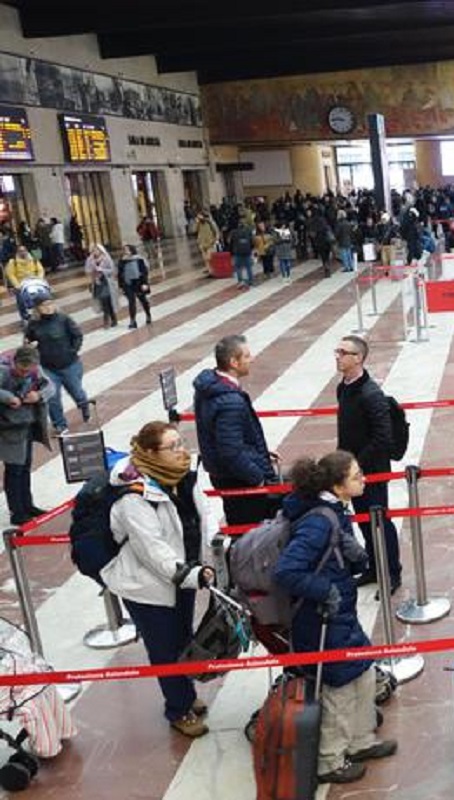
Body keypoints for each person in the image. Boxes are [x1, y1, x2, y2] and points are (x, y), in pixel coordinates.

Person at [273, 451, 398, 784]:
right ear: (338, 484)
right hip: (319, 617)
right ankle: (330, 760)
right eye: (357, 476)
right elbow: (286, 571)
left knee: (363, 671)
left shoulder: (333, 511)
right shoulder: (318, 521)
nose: (364, 479)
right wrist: (325, 589)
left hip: (340, 611)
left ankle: (360, 741)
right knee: (339, 686)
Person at [101, 421, 214, 737]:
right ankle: (177, 709)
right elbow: (151, 549)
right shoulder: (133, 496)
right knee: (164, 647)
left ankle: (185, 694)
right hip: (147, 586)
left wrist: (211, 556)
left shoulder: (182, 478)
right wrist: (188, 573)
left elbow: (203, 518)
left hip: (184, 577)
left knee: (183, 637)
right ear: (151, 453)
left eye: (182, 443)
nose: (182, 451)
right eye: (173, 446)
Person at [333, 335, 401, 590]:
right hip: (352, 470)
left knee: (379, 521)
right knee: (363, 520)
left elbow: (382, 438)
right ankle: (374, 568)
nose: (338, 356)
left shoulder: (371, 394)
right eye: (337, 351)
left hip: (371, 470)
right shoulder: (343, 387)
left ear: (358, 358)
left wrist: (356, 466)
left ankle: (393, 572)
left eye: (343, 352)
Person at [193, 335, 279, 526]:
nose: (252, 359)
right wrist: (257, 478)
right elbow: (230, 451)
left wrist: (259, 453)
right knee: (248, 534)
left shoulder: (211, 387)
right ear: (233, 362)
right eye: (247, 356)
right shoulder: (230, 401)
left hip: (224, 474)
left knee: (239, 527)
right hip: (238, 480)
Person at [0, 346, 52, 525]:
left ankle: (28, 505)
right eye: (21, 370)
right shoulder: (3, 370)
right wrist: (8, 398)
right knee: (14, 470)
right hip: (9, 429)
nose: (24, 374)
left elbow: (50, 387)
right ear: (14, 362)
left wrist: (38, 395)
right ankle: (17, 511)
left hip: (28, 424)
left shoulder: (36, 370)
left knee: (25, 467)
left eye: (28, 371)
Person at [24, 292, 89, 435]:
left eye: (50, 303)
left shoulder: (63, 319)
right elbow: (27, 342)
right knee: (52, 397)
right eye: (44, 305)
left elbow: (77, 335)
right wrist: (30, 346)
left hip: (70, 364)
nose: (48, 307)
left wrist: (72, 351)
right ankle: (60, 424)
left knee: (77, 393)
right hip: (48, 368)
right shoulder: (33, 324)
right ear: (37, 308)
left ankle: (84, 405)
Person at [116, 244, 152, 329]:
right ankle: (133, 321)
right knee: (131, 302)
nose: (125, 251)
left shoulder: (139, 259)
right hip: (128, 283)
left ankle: (148, 315)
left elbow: (144, 272)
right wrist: (121, 286)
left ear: (132, 250)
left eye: (127, 249)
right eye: (124, 250)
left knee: (143, 300)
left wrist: (145, 283)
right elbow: (120, 274)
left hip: (138, 282)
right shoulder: (122, 261)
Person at [5, 246, 44, 322]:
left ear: (27, 251)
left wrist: (39, 279)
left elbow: (40, 270)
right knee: (20, 298)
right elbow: (10, 274)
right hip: (21, 283)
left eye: (24, 250)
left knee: (41, 295)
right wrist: (17, 285)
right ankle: (25, 316)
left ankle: (41, 311)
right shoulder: (13, 262)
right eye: (20, 251)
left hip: (34, 281)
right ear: (17, 252)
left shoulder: (34, 259)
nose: (23, 252)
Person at [84, 243, 119, 327]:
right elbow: (87, 270)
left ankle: (109, 319)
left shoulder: (106, 258)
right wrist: (92, 271)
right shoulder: (90, 259)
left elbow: (112, 269)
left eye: (96, 250)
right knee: (103, 301)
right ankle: (109, 318)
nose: (95, 252)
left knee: (107, 300)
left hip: (107, 282)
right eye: (93, 250)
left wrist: (102, 270)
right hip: (97, 282)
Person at [228, 219, 256, 288]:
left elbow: (230, 242)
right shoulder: (248, 231)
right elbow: (252, 241)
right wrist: (251, 248)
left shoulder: (233, 232)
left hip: (237, 252)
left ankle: (240, 281)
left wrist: (231, 251)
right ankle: (251, 281)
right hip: (247, 251)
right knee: (249, 267)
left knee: (238, 267)